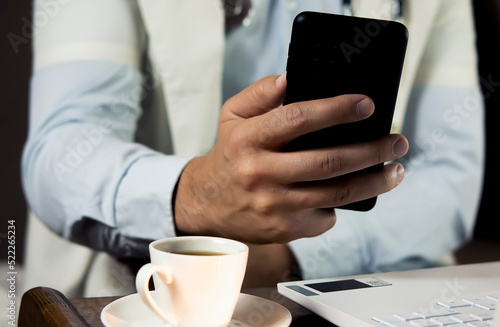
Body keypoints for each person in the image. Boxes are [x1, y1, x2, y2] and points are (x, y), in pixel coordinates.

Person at [21, 0, 483, 297]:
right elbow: (61, 153)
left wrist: (287, 256)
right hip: (139, 284)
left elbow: (451, 177)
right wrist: (196, 196)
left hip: (365, 287)